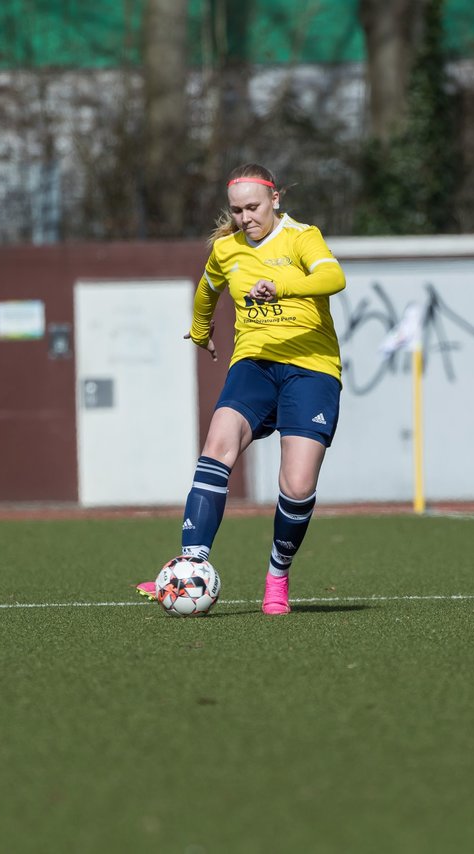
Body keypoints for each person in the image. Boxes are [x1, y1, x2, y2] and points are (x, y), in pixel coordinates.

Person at [137, 163, 346, 615]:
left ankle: (277, 574)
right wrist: (199, 328)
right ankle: (190, 564)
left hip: (311, 367)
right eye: (236, 210)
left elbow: (334, 278)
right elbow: (208, 289)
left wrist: (284, 286)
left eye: (253, 207)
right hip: (253, 364)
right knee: (217, 444)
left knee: (297, 482)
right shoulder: (226, 249)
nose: (245, 217)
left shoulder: (302, 237)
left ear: (275, 200)